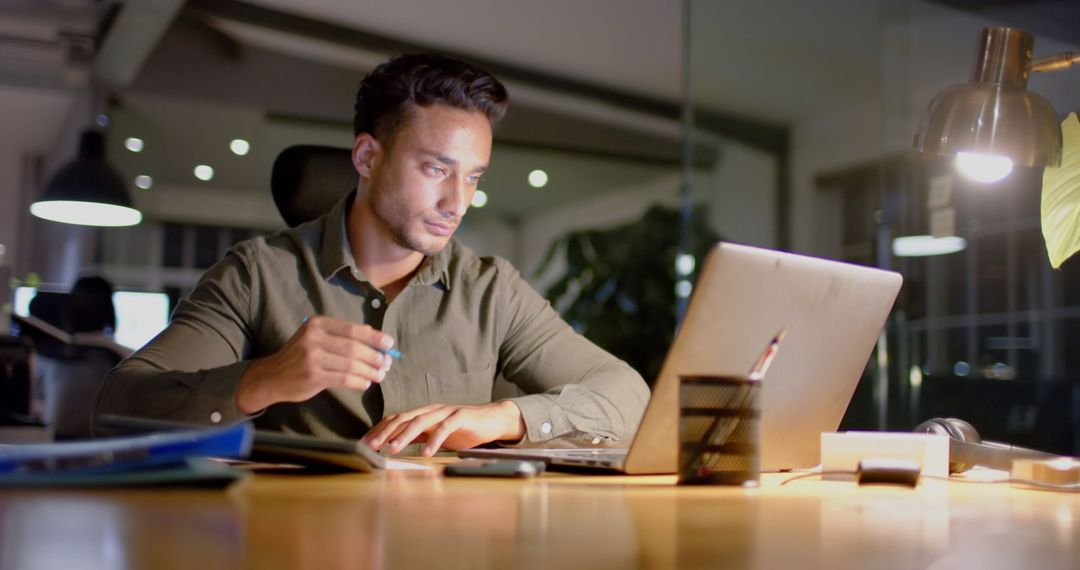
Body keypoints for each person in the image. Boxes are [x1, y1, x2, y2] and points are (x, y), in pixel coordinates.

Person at [94, 53, 649, 455]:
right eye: (435, 169)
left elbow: (628, 396)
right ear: (366, 156)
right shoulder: (257, 275)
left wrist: (504, 416)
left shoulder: (490, 289)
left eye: (472, 177)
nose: (457, 202)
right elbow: (115, 408)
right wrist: (262, 379)